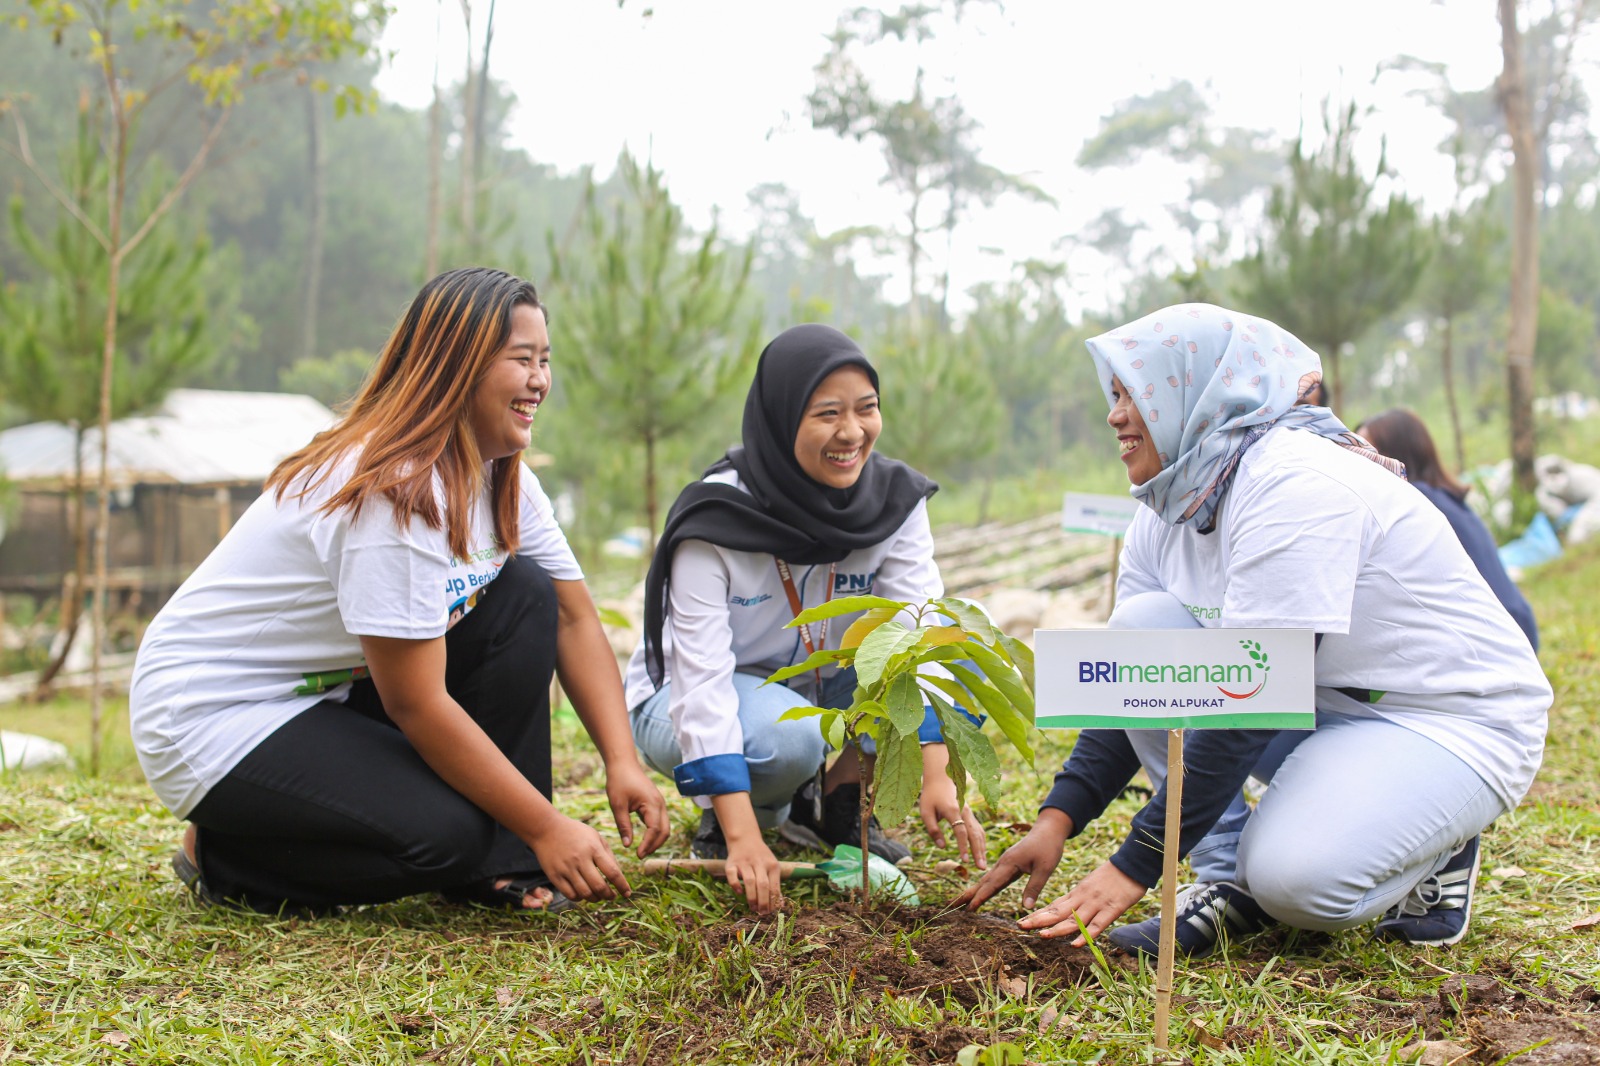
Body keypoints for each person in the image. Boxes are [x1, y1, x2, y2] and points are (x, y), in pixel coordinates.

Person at [958, 303, 1550, 956]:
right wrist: (1057, 818)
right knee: (1140, 629)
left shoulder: (1293, 486)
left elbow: (1252, 700)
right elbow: (1136, 685)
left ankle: (1438, 841)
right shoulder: (1169, 505)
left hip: (1444, 719)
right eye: (1115, 394)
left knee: (1299, 884)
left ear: (1198, 392)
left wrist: (1134, 866)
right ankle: (1228, 882)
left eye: (1136, 394)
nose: (1115, 414)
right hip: (1317, 704)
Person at [131, 267, 670, 915]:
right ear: (458, 365)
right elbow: (417, 704)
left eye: (545, 360)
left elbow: (573, 621)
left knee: (525, 594)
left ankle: (499, 865)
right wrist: (546, 825)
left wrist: (622, 760)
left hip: (319, 693)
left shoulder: (501, 480)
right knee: (446, 836)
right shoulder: (394, 495)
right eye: (521, 359)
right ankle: (226, 856)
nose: (540, 380)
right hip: (214, 717)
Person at [625, 324, 983, 914]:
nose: (852, 433)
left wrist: (937, 769)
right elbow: (701, 685)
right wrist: (743, 838)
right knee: (790, 740)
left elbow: (915, 636)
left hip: (817, 686)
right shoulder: (717, 518)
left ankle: (836, 806)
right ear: (781, 417)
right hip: (687, 698)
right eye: (827, 414)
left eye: (866, 409)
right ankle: (737, 811)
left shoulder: (893, 502)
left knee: (934, 639)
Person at [1357, 408, 1538, 650]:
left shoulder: (1415, 503)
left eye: (1367, 452)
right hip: (1518, 630)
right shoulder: (1445, 498)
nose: (1358, 463)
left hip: (1495, 643)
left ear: (1398, 453)